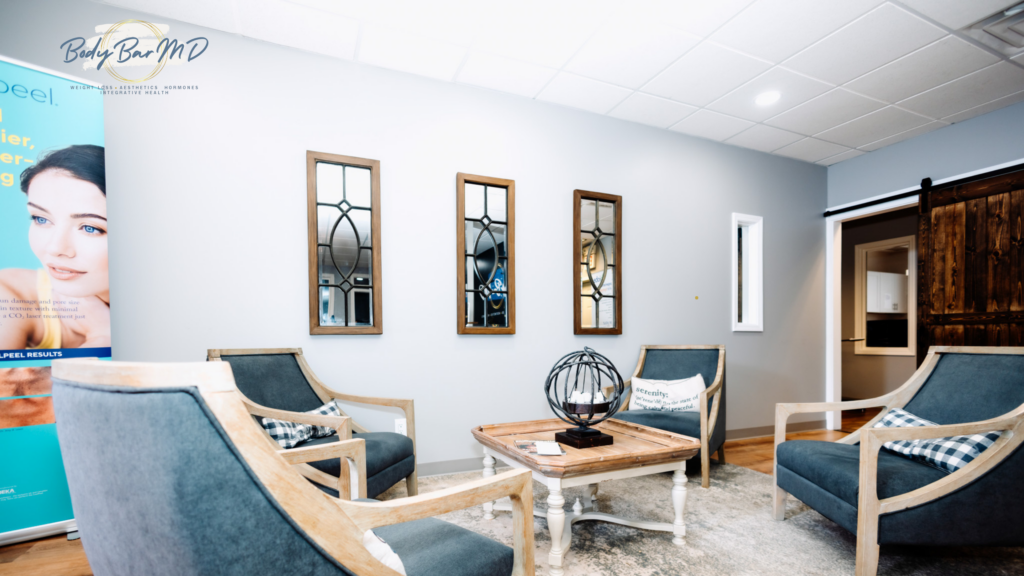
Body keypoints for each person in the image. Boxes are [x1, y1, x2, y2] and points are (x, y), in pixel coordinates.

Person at [0, 145, 109, 351]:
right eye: (41, 219)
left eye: (90, 228)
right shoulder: (10, 295)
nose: (54, 248)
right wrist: (102, 337)